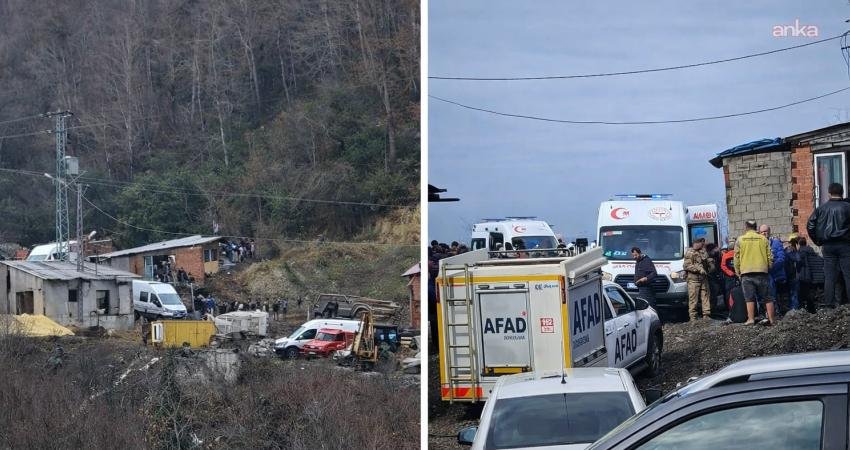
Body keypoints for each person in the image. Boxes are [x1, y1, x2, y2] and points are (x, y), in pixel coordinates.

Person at [807, 182, 850, 308]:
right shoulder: (847, 207)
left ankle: (829, 304)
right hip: (845, 245)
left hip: (828, 245)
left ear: (829, 193)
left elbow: (810, 226)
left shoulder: (821, 208)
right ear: (842, 193)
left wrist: (818, 241)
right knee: (848, 274)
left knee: (830, 276)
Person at [734, 220, 775, 325]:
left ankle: (751, 319)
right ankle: (771, 319)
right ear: (756, 228)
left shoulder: (740, 240)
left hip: (746, 273)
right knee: (768, 297)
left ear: (746, 227)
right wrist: (768, 267)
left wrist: (738, 272)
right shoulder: (763, 239)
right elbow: (770, 256)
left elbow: (736, 258)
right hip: (762, 272)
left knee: (749, 297)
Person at [684, 238, 714, 320]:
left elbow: (707, 259)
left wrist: (711, 264)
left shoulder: (703, 251)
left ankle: (706, 314)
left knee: (706, 296)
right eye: (702, 243)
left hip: (703, 278)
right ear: (696, 243)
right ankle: (693, 316)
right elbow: (687, 266)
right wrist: (699, 269)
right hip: (693, 279)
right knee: (693, 298)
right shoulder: (689, 252)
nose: (703, 244)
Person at [796, 237, 818, 313]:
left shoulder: (800, 253)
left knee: (804, 294)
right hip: (815, 276)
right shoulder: (812, 251)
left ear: (798, 244)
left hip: (803, 277)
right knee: (811, 293)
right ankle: (812, 310)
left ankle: (807, 310)